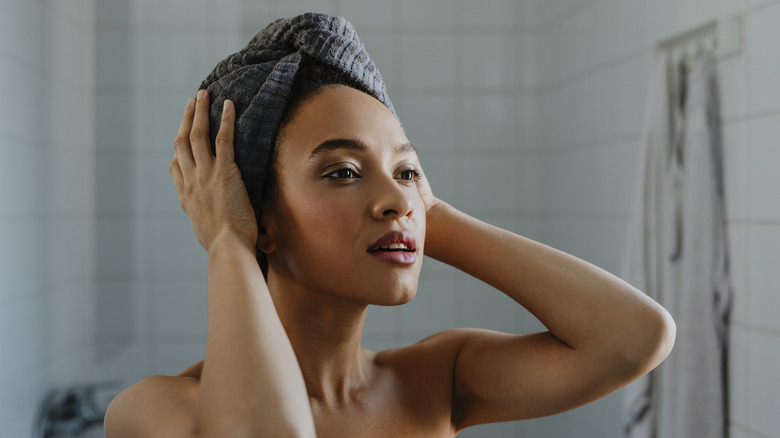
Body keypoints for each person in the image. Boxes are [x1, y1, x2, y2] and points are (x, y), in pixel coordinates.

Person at [104, 13, 675, 438]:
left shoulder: (434, 381)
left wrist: (433, 217)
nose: (395, 200)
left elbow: (635, 337)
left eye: (406, 170)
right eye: (343, 171)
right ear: (259, 217)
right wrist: (228, 240)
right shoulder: (158, 411)